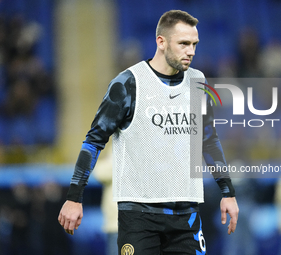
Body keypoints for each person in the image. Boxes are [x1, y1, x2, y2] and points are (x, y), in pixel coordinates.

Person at [58, 10, 239, 254]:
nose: (191, 51)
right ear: (161, 42)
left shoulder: (198, 81)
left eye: (194, 44)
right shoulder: (128, 83)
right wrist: (74, 197)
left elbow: (208, 139)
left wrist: (227, 192)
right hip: (138, 217)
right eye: (184, 44)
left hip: (186, 215)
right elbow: (93, 141)